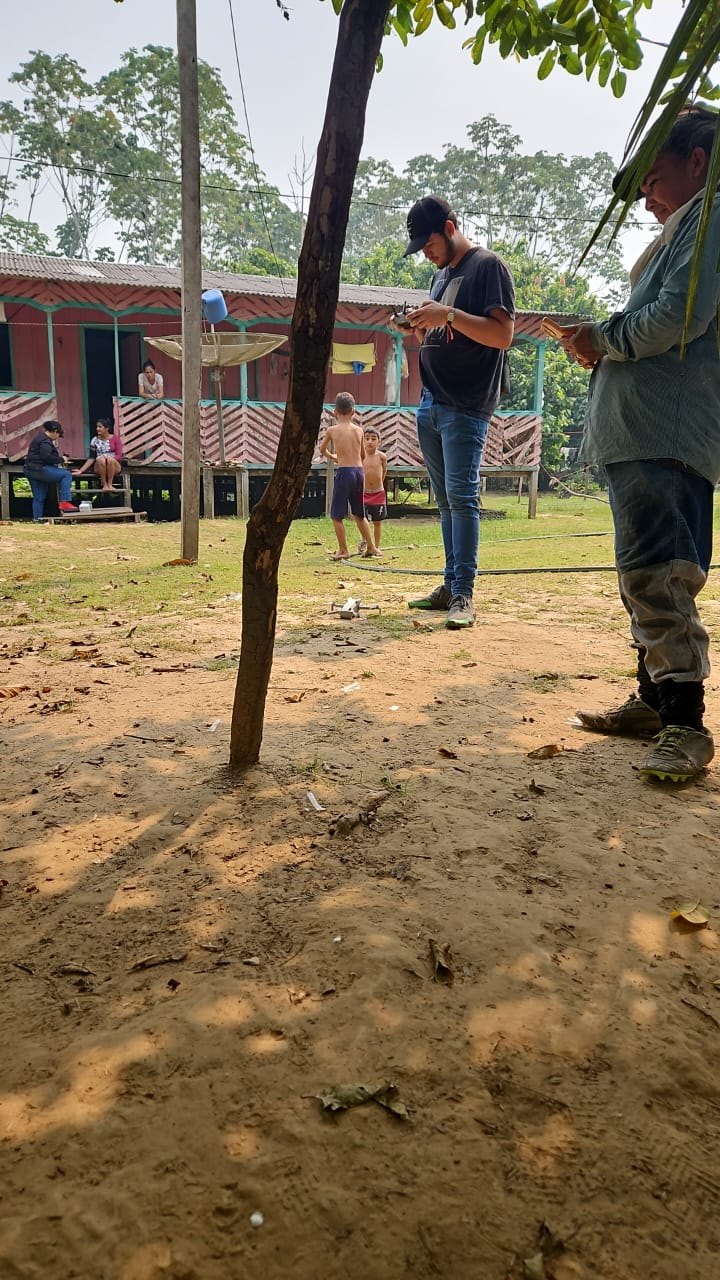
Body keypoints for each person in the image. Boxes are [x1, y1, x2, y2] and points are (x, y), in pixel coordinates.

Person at [558, 107, 720, 784]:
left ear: (700, 163)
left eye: (655, 180)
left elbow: (676, 317)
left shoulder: (711, 222)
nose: (647, 198)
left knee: (657, 577)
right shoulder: (686, 230)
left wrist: (601, 338)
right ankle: (654, 704)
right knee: (643, 576)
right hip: (644, 437)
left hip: (665, 436)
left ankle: (686, 725)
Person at [402, 196, 515, 629]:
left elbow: (502, 335)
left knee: (463, 499)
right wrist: (418, 323)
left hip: (466, 402)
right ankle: (449, 585)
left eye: (428, 243)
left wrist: (446, 313)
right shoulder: (440, 276)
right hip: (431, 400)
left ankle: (464, 594)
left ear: (450, 228)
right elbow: (443, 331)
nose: (425, 253)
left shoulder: (489, 267)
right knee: (446, 501)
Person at [319, 393, 378, 561]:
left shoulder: (332, 430)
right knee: (360, 514)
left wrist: (334, 457)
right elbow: (362, 455)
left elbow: (322, 450)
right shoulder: (359, 430)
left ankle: (343, 550)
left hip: (344, 472)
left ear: (334, 412)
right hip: (359, 472)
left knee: (336, 515)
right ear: (353, 412)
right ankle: (372, 547)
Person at [23, 421, 78, 520]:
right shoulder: (45, 441)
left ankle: (37, 520)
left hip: (30, 470)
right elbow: (46, 457)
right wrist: (62, 459)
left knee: (38, 498)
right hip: (40, 469)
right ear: (55, 431)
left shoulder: (39, 438)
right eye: (58, 435)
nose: (57, 438)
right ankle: (64, 501)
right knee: (66, 475)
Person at [358, 428, 388, 554]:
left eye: (373, 439)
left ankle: (376, 546)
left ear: (379, 442)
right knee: (362, 518)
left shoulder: (382, 457)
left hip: (378, 493)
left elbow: (384, 472)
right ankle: (365, 541)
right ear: (362, 441)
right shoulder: (360, 455)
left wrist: (378, 484)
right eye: (367, 438)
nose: (370, 442)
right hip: (363, 492)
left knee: (377, 521)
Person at [73, 418, 123, 491]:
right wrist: (81, 470)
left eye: (100, 427)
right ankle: (104, 484)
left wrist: (107, 458)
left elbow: (119, 456)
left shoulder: (115, 438)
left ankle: (110, 484)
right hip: (100, 466)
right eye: (97, 427)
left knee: (109, 460)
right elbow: (92, 457)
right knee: (100, 459)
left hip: (113, 466)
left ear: (107, 428)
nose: (97, 429)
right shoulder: (94, 440)